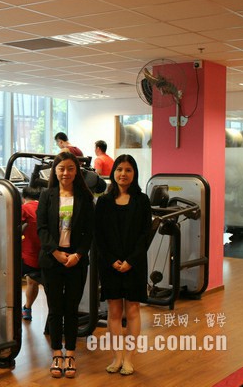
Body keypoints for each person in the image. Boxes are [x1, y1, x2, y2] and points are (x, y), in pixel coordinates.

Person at [36, 151, 94, 378]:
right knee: (55, 309)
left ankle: (70, 353)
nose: (65, 173)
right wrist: (55, 252)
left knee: (71, 309)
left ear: (76, 171)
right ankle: (56, 353)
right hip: (52, 260)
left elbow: (90, 231)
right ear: (55, 171)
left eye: (70, 168)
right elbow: (41, 228)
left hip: (75, 261)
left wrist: (78, 254)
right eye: (61, 168)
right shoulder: (47, 195)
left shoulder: (85, 197)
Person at [94, 154, 152, 376]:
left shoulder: (142, 200)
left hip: (134, 263)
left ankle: (129, 358)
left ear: (134, 173)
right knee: (114, 310)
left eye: (128, 170)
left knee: (133, 310)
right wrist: (111, 260)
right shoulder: (104, 201)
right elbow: (99, 236)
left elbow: (145, 234)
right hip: (110, 264)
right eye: (119, 169)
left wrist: (131, 261)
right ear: (113, 172)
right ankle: (117, 356)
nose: (123, 174)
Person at [21, 186, 42, 321]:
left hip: (29, 259)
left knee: (30, 281)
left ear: (23, 198)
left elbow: (11, 226)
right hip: (46, 256)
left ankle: (23, 309)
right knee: (32, 281)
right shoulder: (45, 207)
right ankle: (27, 308)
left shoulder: (24, 208)